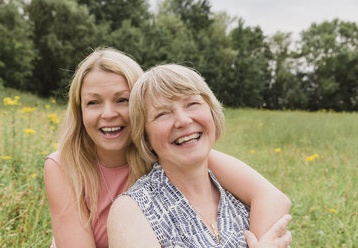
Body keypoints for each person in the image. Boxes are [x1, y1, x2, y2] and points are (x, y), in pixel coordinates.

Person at [44, 48, 291, 248]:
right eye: (93, 102)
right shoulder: (64, 167)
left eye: (122, 100)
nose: (109, 114)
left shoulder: (178, 152)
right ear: (80, 111)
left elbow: (271, 197)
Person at [107, 64, 292, 247]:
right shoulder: (132, 210)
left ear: (211, 112)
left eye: (192, 104)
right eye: (162, 114)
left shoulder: (238, 195)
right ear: (146, 138)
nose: (183, 120)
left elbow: (276, 200)